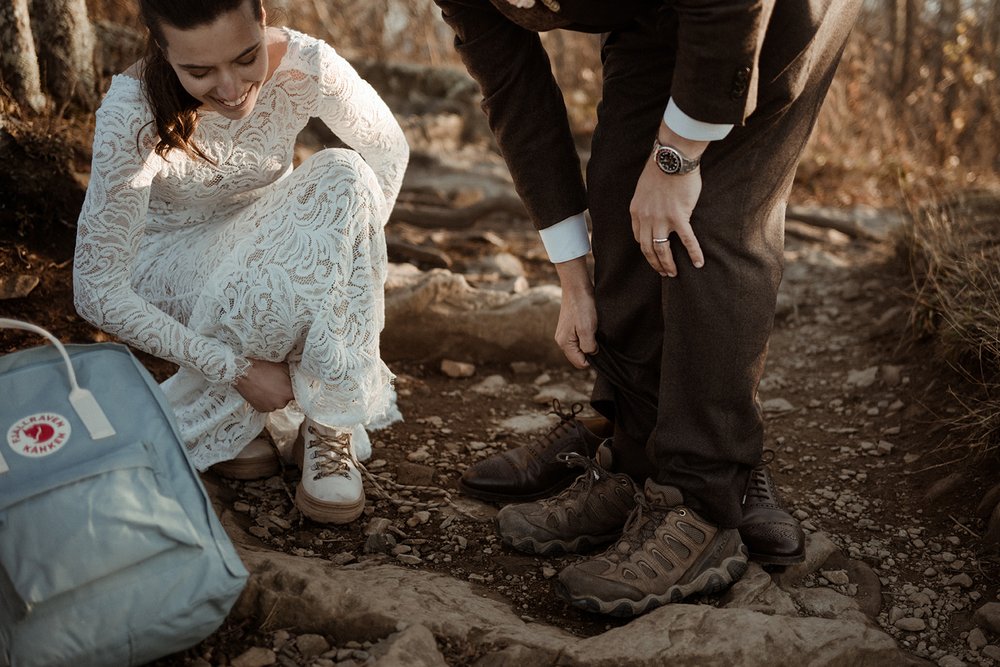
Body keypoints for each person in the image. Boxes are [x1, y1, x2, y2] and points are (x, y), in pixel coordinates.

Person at [435, 0, 861, 616]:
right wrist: (574, 277)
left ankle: (704, 500)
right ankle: (635, 457)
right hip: (652, 12)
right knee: (618, 192)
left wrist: (678, 156)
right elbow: (513, 88)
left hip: (773, 9)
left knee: (709, 220)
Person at [73, 0, 409, 525]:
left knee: (345, 173)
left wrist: (348, 253)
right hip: (172, 264)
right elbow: (95, 289)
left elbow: (389, 152)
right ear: (163, 50)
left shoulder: (307, 65)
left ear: (263, 17)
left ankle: (327, 422)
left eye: (246, 57)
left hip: (267, 239)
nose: (230, 90)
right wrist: (236, 370)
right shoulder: (131, 111)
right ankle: (229, 401)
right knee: (287, 258)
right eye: (199, 71)